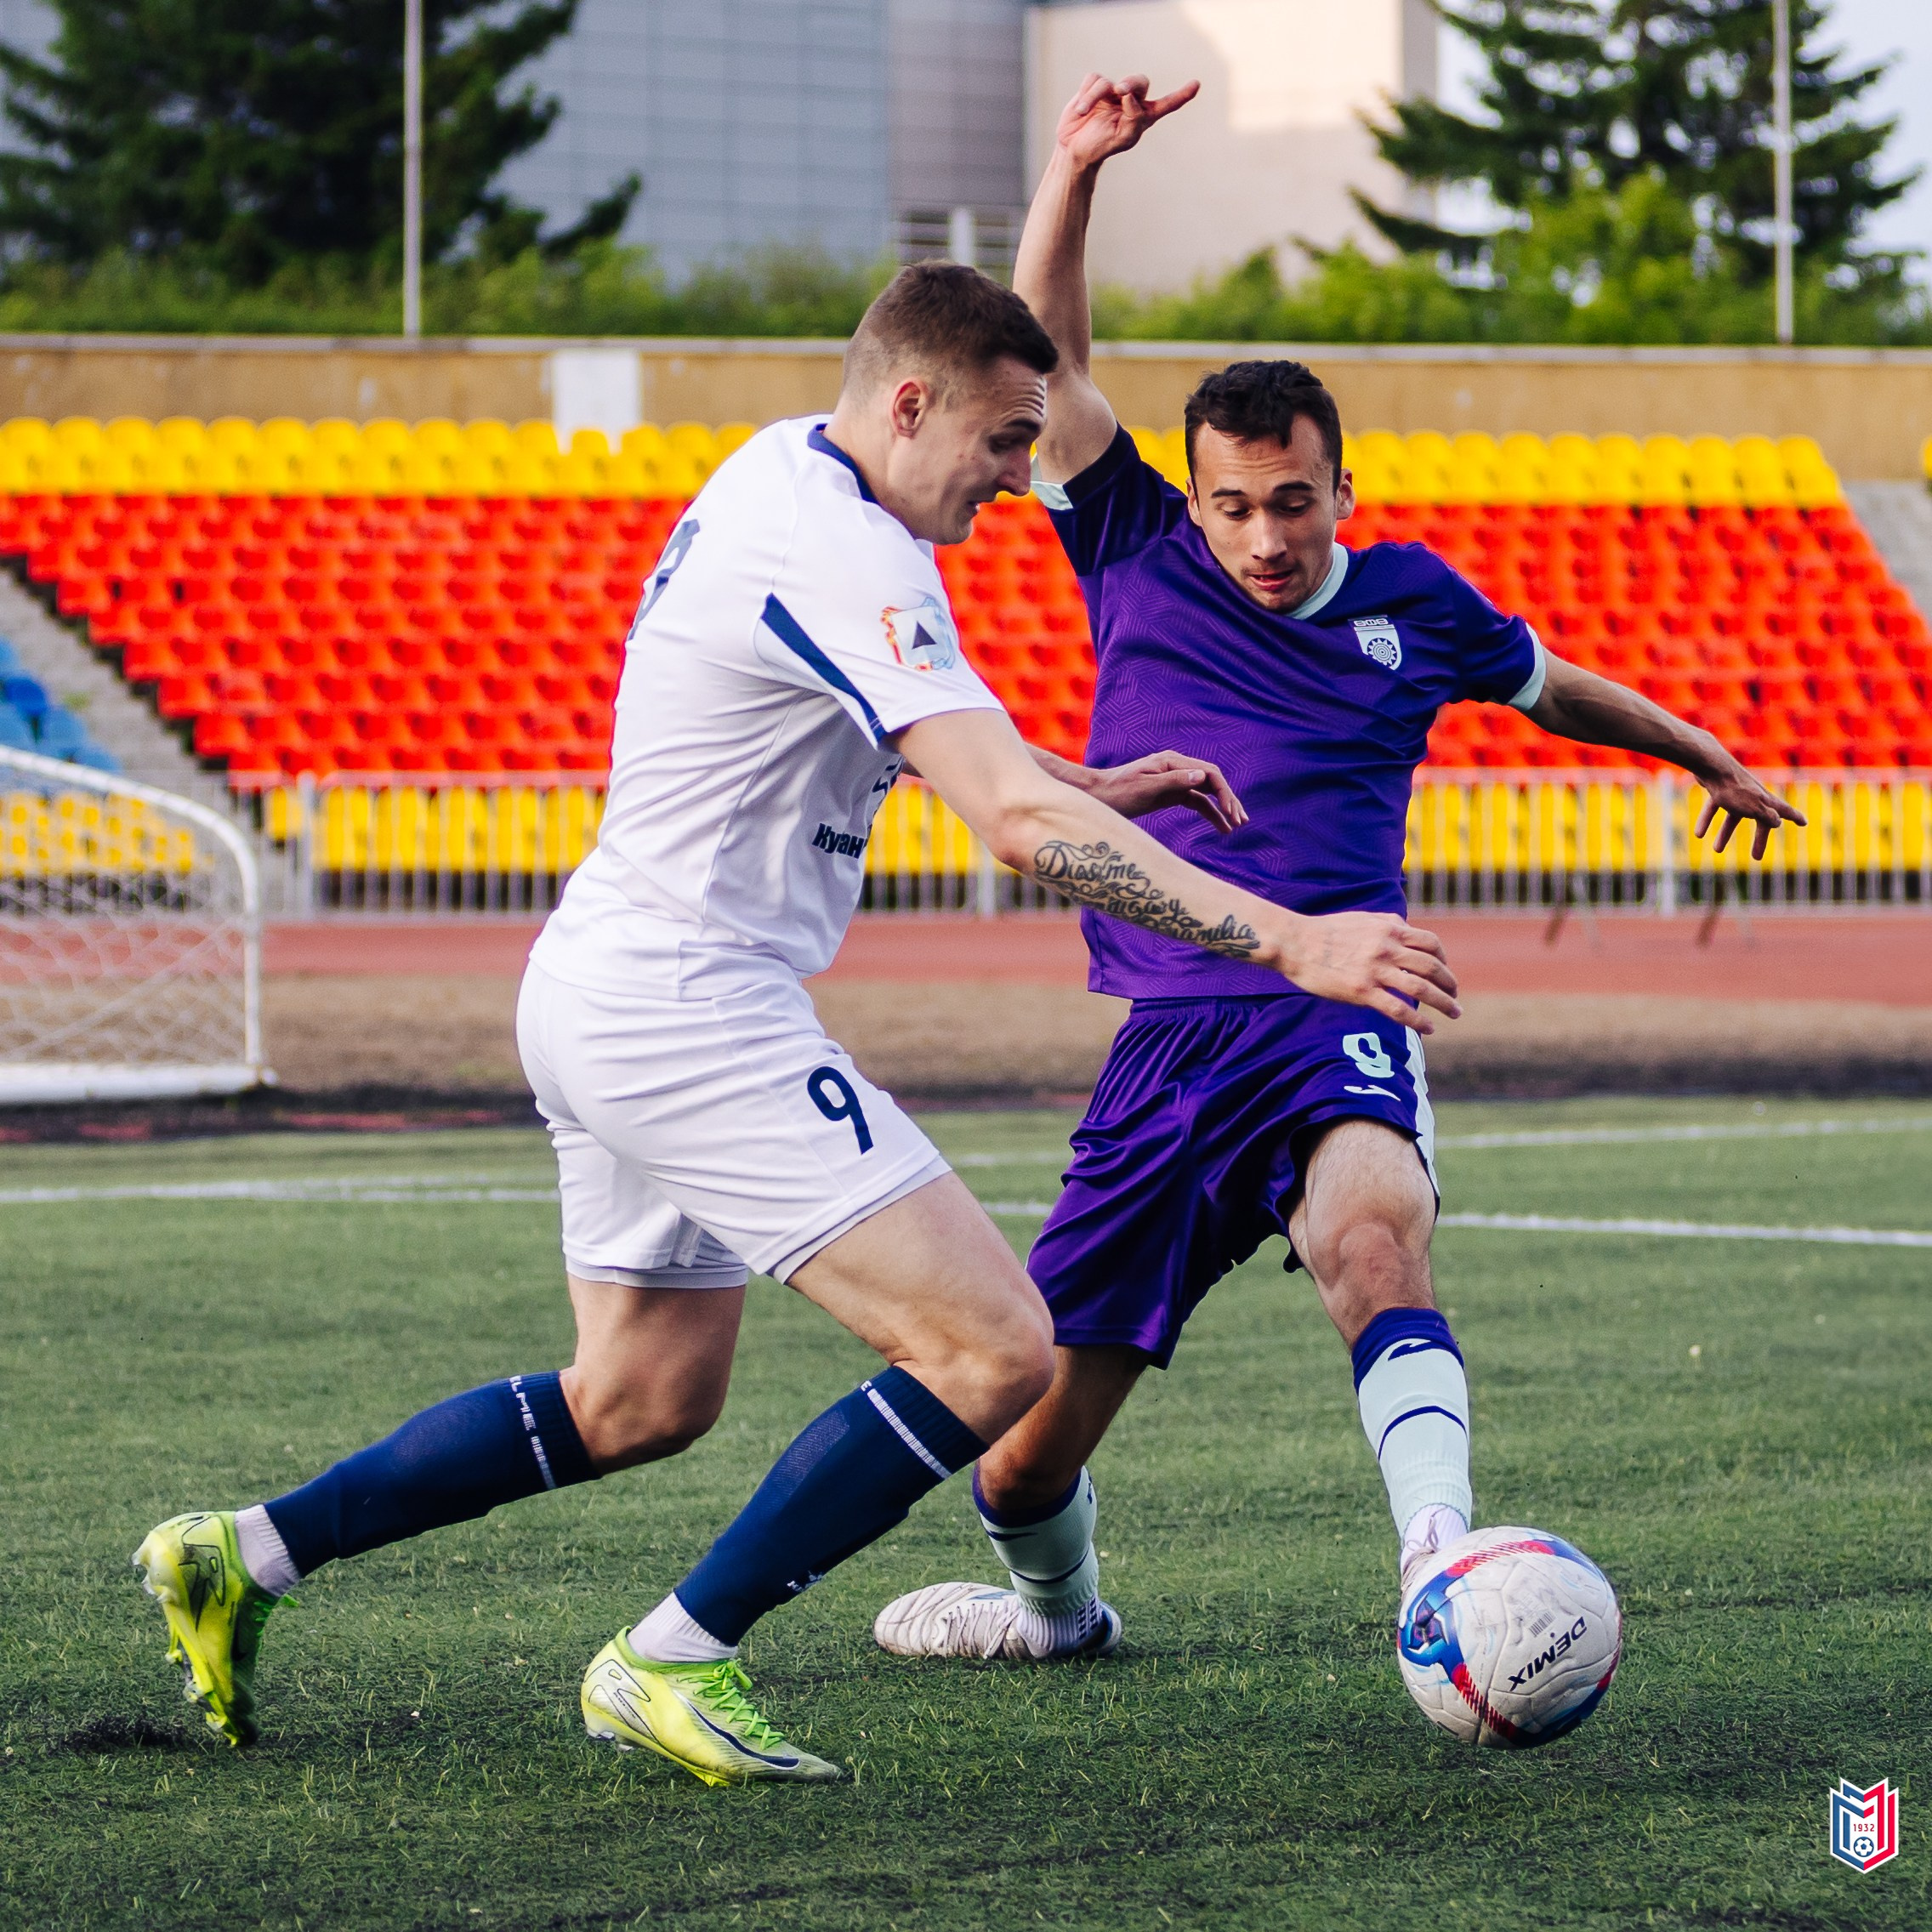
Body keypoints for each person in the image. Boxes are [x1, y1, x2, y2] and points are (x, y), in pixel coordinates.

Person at [134, 263, 1463, 1786]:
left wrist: (1094, 784)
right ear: (912, 404)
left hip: (596, 980)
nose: (1021, 474)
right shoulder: (858, 552)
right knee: (996, 1347)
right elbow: (1010, 824)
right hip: (691, 1007)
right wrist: (1294, 936)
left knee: (637, 1398)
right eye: (1006, 440)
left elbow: (899, 739)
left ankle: (243, 1553)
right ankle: (670, 1657)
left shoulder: (778, 468)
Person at [873, 77, 1804, 1665]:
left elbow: (1552, 681)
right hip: (1169, 1040)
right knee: (1025, 1441)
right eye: (1233, 503)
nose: (1259, 537)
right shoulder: (1131, 541)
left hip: (1332, 998)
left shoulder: (1420, 604)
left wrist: (1697, 749)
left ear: (1342, 492)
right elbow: (1047, 352)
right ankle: (1059, 1613)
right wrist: (1072, 166)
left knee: (1373, 1236)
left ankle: (1440, 1568)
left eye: (1291, 503)